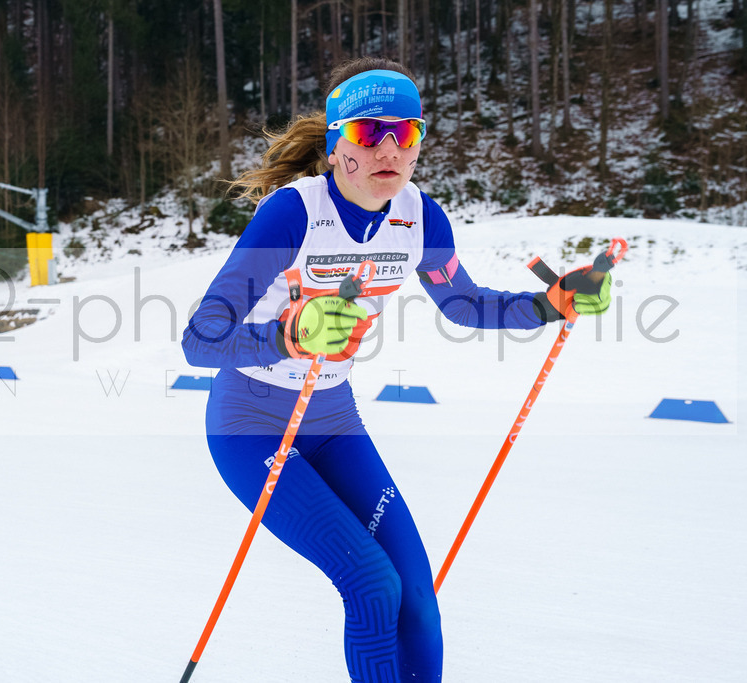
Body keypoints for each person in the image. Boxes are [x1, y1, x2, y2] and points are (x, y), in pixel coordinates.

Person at [181, 57, 612, 683]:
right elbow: (201, 338)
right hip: (251, 422)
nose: (389, 148)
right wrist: (287, 334)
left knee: (416, 595)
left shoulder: (420, 218)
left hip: (332, 419)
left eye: (405, 133)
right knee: (371, 582)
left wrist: (550, 303)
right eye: (368, 133)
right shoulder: (293, 213)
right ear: (335, 147)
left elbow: (463, 302)